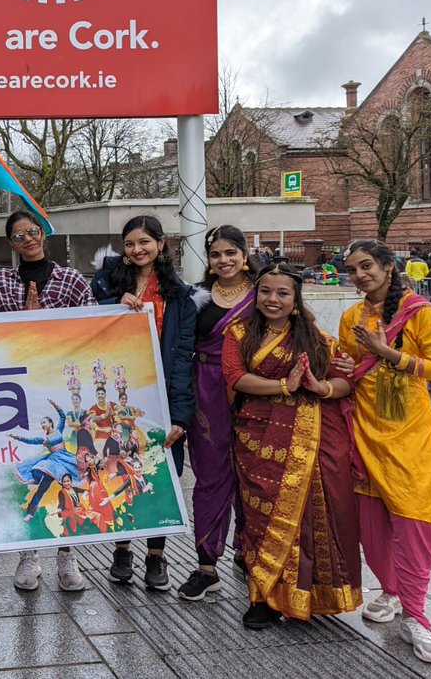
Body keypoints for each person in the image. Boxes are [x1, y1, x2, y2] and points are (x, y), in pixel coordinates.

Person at [222, 263, 361, 630]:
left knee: (308, 516)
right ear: (256, 295)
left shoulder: (318, 341)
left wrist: (320, 388)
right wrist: (286, 385)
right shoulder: (238, 334)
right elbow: (237, 379)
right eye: (266, 291)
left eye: (283, 293)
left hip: (311, 439)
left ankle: (309, 595)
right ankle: (262, 597)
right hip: (257, 439)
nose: (273, 299)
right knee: (260, 519)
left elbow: (344, 382)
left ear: (296, 300)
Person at [0, 210, 96, 594]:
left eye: (33, 232)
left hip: (62, 391)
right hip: (16, 396)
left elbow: (94, 328)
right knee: (26, 476)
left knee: (70, 477)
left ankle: (66, 553)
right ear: (11, 243)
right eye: (19, 235)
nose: (28, 239)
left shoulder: (72, 281)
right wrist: (19, 329)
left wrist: (47, 328)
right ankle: (28, 553)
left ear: (44, 235)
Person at [340, 240, 431, 665]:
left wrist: (386, 353)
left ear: (388, 266)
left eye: (367, 266)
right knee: (373, 531)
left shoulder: (419, 312)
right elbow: (349, 368)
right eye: (352, 270)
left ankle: (417, 617)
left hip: (411, 438)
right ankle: (389, 591)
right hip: (366, 433)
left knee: (414, 530)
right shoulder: (352, 317)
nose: (359, 275)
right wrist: (346, 368)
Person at [91, 215, 195, 591]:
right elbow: (88, 326)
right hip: (120, 395)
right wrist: (112, 305)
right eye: (130, 243)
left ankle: (156, 554)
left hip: (161, 396)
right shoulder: (106, 281)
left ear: (161, 243)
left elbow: (184, 356)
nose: (137, 250)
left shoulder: (179, 294)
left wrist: (181, 414)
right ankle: (122, 547)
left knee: (159, 473)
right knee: (118, 468)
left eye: (145, 243)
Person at [178, 226, 256, 601]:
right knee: (210, 477)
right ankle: (207, 565)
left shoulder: (265, 293)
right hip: (206, 389)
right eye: (216, 255)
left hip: (255, 391)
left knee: (254, 473)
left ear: (245, 253)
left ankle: (249, 550)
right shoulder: (197, 297)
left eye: (231, 253)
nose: (224, 261)